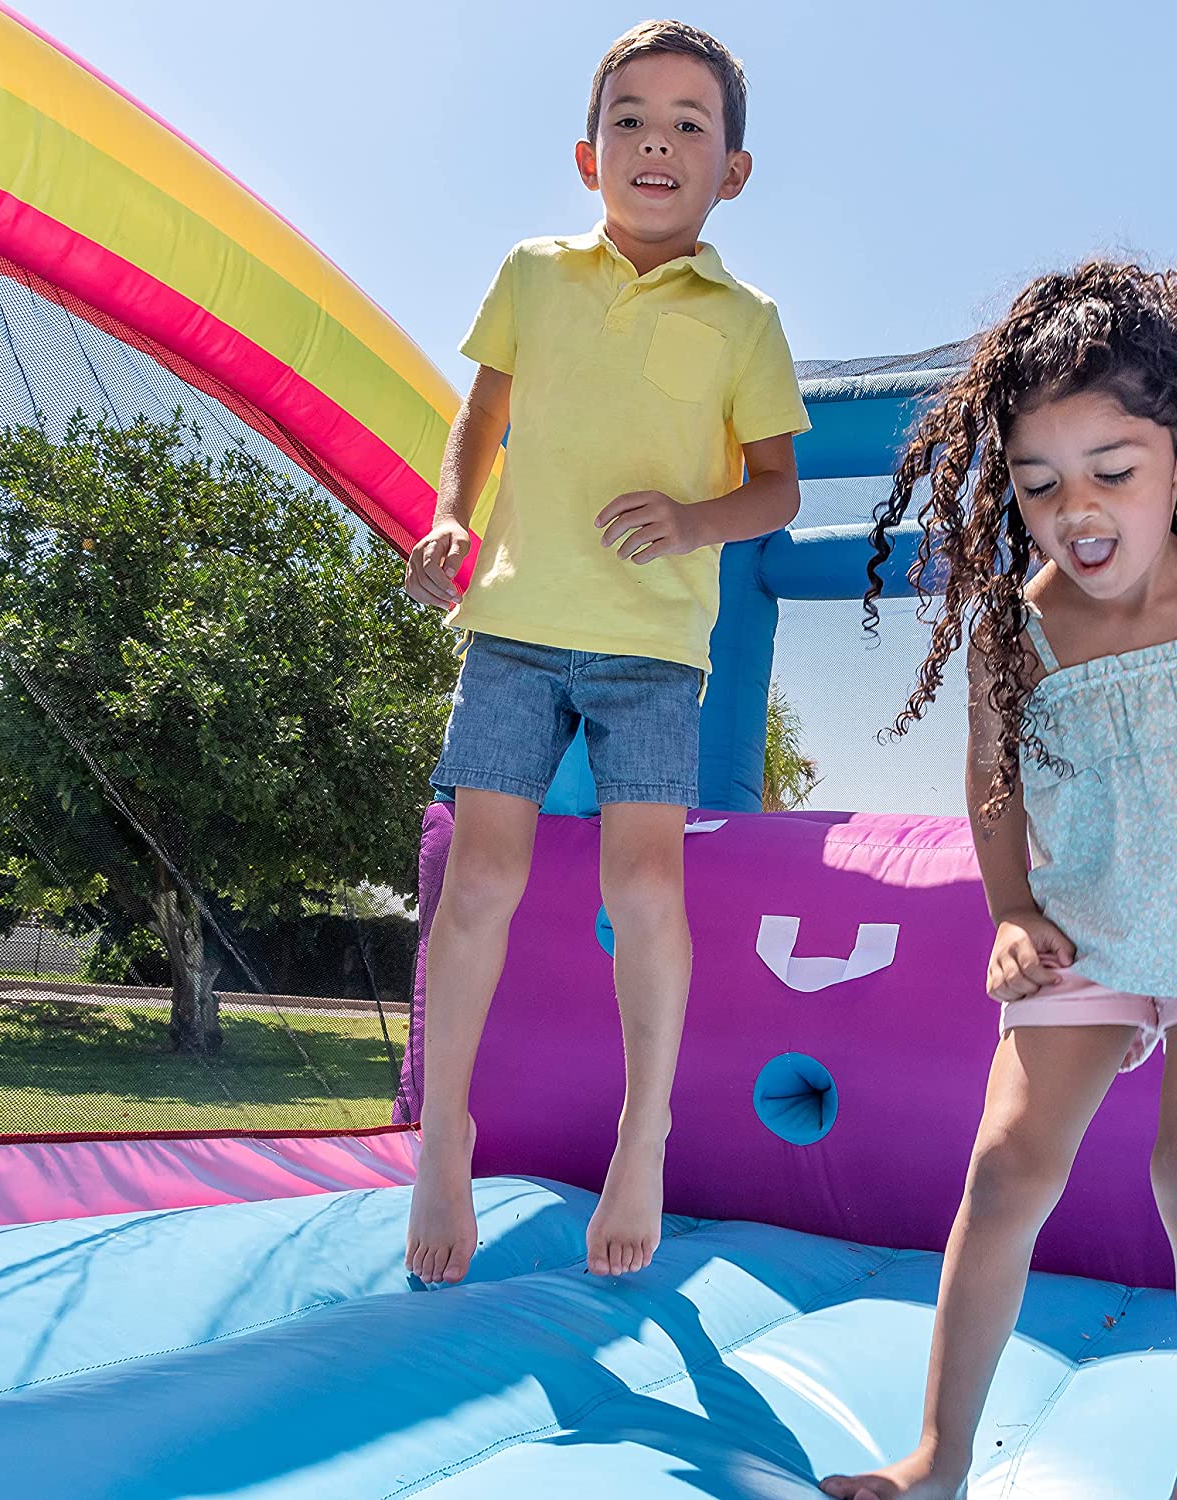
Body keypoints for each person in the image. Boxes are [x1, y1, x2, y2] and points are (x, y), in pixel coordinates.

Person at [819, 256, 1177, 1500]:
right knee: (1006, 1165)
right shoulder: (1015, 629)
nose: (1076, 509)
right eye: (1039, 486)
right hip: (1090, 908)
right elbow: (994, 787)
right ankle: (937, 1460)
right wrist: (1013, 913)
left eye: (1112, 473)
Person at [402, 19, 809, 1285]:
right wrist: (454, 513)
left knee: (643, 886)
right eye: (632, 118)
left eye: (691, 123)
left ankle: (647, 1132)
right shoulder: (533, 273)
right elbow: (483, 411)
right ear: (589, 155)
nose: (657, 141)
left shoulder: (745, 318)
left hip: (650, 647)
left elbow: (778, 490)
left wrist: (695, 519)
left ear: (731, 172)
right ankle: (443, 1137)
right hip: (518, 628)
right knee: (480, 884)